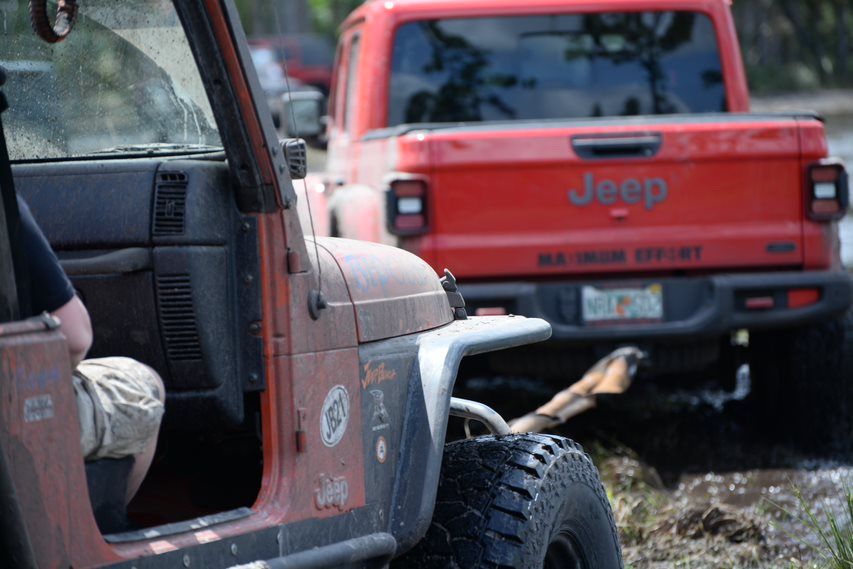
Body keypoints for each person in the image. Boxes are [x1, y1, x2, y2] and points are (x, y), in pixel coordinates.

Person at [17, 194, 165, 504]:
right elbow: (74, 338)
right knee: (144, 385)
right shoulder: (6, 204)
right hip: (11, 413)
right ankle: (96, 544)